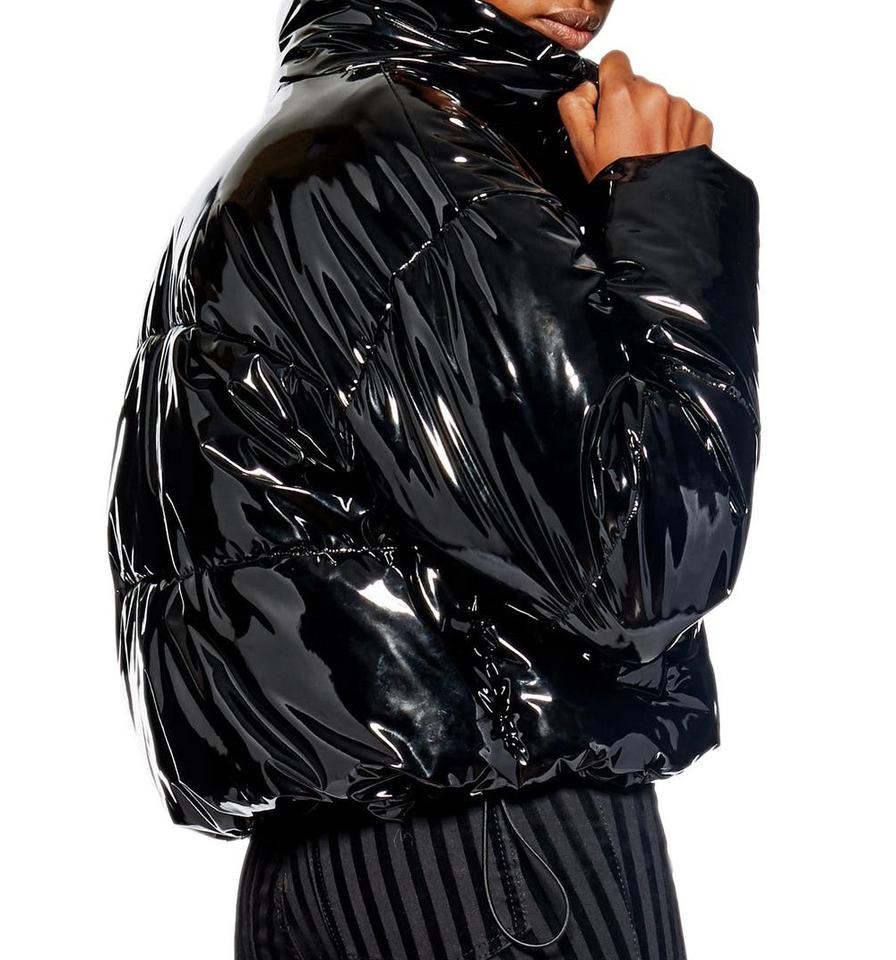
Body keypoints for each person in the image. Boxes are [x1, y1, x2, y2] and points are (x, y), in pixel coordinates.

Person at [106, 0, 760, 957]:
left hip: (330, 865)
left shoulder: (300, 149)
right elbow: (643, 556)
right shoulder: (416, 160)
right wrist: (671, 210)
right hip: (501, 849)